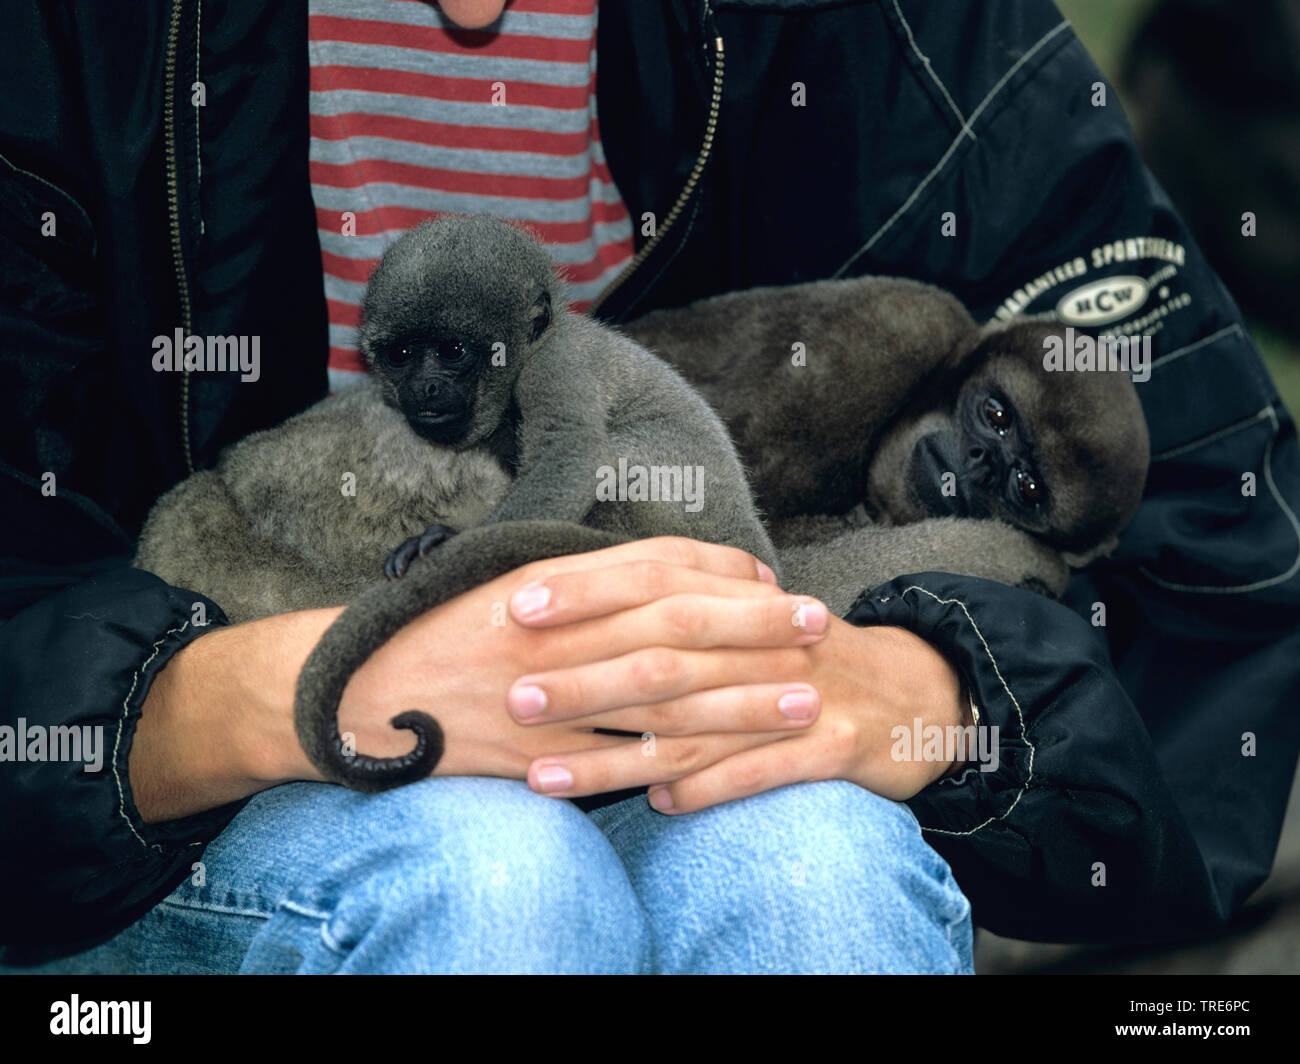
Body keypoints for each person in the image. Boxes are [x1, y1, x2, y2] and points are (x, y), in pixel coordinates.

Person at [1, 0, 1296, 973]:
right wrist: (272, 697)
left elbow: (1213, 560)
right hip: (172, 785)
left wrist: (935, 698)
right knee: (489, 880)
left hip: (706, 752)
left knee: (819, 875)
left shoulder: (880, 39)